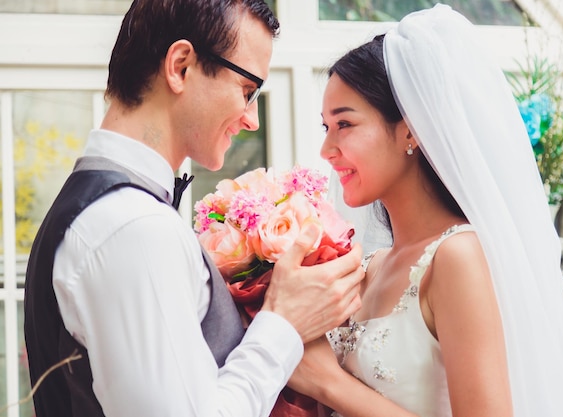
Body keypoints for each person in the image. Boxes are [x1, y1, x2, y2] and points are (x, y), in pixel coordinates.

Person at [23, 1, 364, 416]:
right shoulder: (134, 227)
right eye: (248, 90)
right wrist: (283, 324)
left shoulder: (100, 208)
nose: (252, 118)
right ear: (181, 65)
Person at [288, 4, 563, 417]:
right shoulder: (370, 265)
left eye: (344, 124)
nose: (327, 151)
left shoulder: (457, 256)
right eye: (325, 128)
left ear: (410, 130)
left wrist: (328, 383)